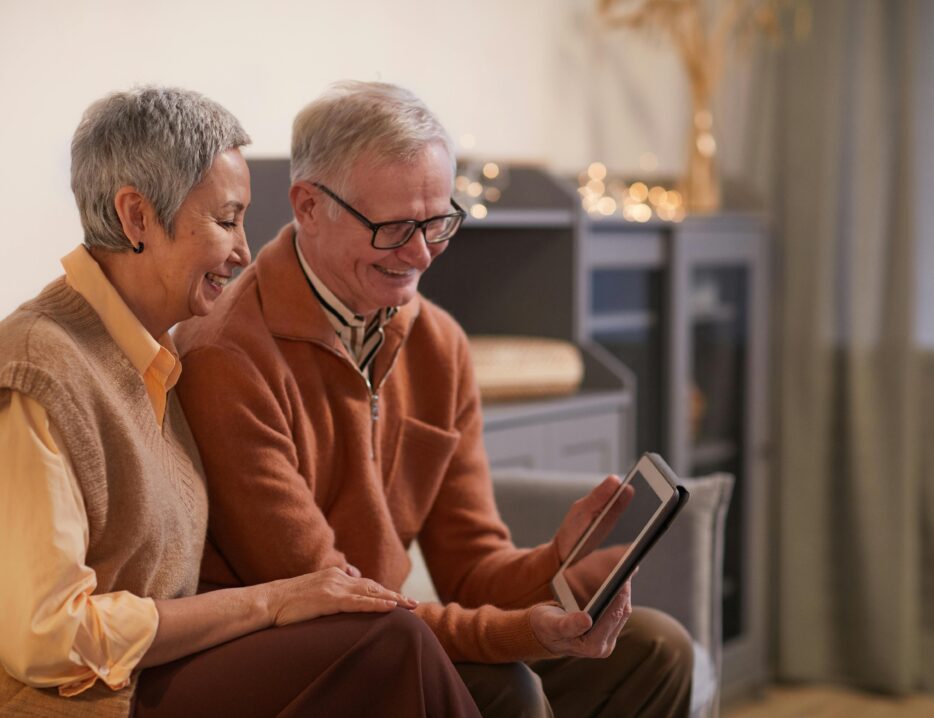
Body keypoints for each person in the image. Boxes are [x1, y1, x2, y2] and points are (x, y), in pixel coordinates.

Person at [174, 81, 694, 717]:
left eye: (438, 221)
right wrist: (523, 633)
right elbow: (340, 602)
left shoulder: (439, 343)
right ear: (308, 206)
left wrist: (562, 562)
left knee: (658, 652)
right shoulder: (227, 356)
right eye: (394, 228)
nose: (422, 254)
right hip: (296, 657)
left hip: (390, 633)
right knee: (507, 687)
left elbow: (472, 569)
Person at [0, 86, 480, 718]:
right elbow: (45, 638)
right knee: (390, 645)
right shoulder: (39, 368)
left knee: (433, 665)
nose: (245, 250)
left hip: (166, 673)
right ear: (137, 217)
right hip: (93, 703)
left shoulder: (150, 357)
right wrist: (270, 602)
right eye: (225, 221)